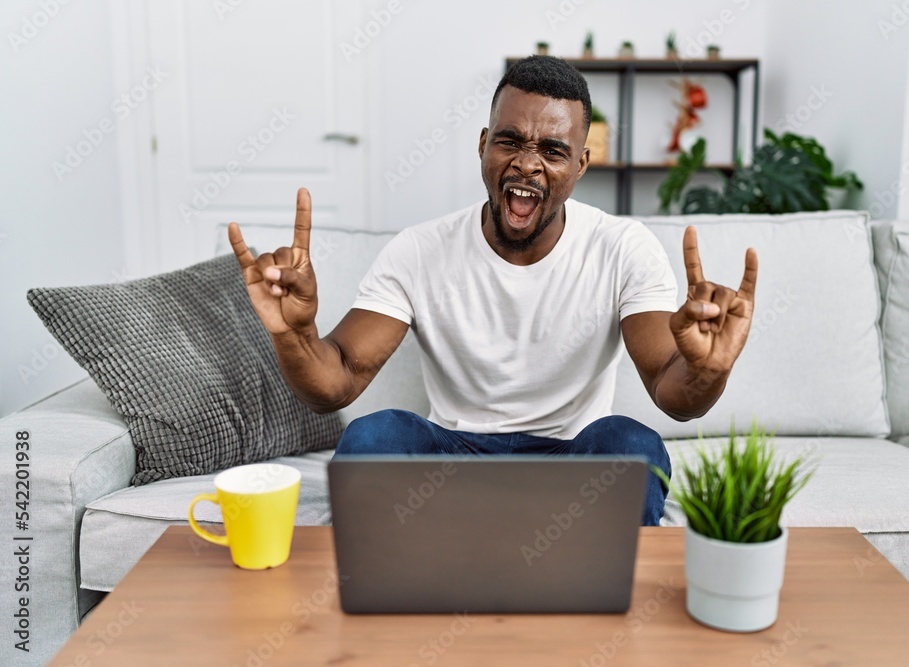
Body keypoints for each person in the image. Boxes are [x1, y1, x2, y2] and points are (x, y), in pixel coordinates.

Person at [227, 56, 757, 526]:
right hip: (452, 459)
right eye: (510, 141)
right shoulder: (419, 249)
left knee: (634, 447)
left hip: (570, 458)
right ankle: (431, 564)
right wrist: (295, 334)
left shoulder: (621, 247)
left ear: (580, 165)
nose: (527, 163)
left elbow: (673, 392)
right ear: (484, 145)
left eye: (552, 149)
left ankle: (553, 558)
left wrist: (707, 368)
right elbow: (334, 382)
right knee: (373, 438)